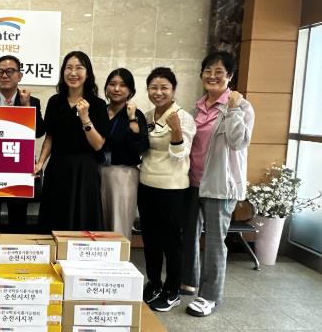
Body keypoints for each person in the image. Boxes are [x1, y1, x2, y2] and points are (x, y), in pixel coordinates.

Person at [182, 51, 254, 317]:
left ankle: (209, 296)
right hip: (193, 181)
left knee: (214, 242)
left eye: (219, 72)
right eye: (208, 71)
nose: (212, 76)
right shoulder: (198, 107)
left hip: (220, 185)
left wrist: (233, 110)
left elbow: (238, 142)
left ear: (230, 76)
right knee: (189, 235)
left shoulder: (241, 107)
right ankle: (189, 282)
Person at [138, 67, 196, 312]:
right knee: (150, 239)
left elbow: (181, 155)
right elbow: (142, 149)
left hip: (173, 188)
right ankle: (154, 283)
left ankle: (173, 291)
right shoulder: (147, 116)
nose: (158, 92)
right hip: (146, 184)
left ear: (173, 90)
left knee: (171, 241)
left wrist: (177, 131)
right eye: (154, 87)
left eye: (164, 88)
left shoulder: (183, 117)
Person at [36, 51, 109, 232]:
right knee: (55, 218)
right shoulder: (55, 101)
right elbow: (50, 137)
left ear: (88, 73)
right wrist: (40, 163)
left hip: (84, 170)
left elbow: (98, 144)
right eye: (68, 68)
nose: (73, 73)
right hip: (57, 167)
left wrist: (85, 118)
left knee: (81, 220)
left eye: (79, 68)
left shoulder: (98, 104)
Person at [0, 54, 46, 232]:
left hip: (19, 170)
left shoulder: (32, 101)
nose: (4, 75)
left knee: (18, 220)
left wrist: (26, 107)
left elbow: (39, 132)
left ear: (19, 76)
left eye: (9, 71)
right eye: (0, 71)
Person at [99, 68, 149, 237]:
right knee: (98, 224)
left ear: (130, 90)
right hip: (97, 171)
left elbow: (141, 147)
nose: (116, 89)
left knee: (119, 225)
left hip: (123, 174)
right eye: (112, 84)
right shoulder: (100, 111)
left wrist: (132, 118)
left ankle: (119, 255)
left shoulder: (136, 114)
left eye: (122, 85)